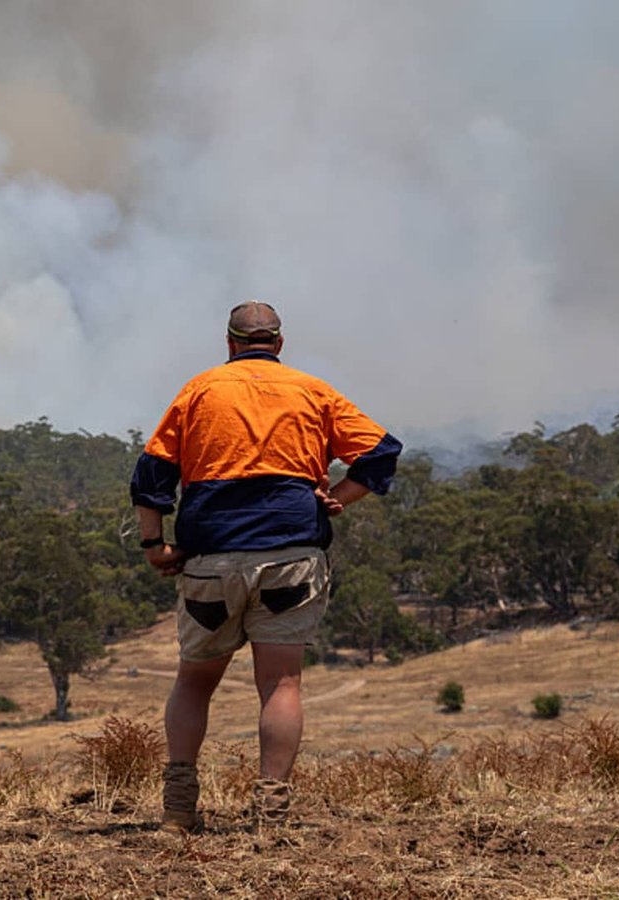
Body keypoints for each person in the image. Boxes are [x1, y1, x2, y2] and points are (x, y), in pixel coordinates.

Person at [129, 300, 401, 833]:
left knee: (193, 682)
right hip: (291, 560)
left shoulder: (200, 390)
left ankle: (178, 813)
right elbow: (381, 451)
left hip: (212, 562)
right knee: (281, 685)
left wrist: (153, 545)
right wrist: (340, 496)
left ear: (229, 343)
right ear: (278, 344)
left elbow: (152, 472)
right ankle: (270, 817)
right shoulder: (312, 391)